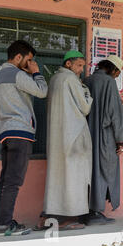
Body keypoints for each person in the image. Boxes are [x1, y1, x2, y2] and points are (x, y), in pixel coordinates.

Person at [0, 40, 48, 236]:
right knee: (13, 181)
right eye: (29, 59)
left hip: (6, 133)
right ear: (18, 57)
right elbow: (42, 91)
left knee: (6, 181)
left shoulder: (0, 75)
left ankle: (3, 223)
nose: (29, 63)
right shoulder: (16, 74)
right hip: (21, 134)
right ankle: (5, 225)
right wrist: (36, 72)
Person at [36, 50, 93, 231]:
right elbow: (85, 108)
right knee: (74, 179)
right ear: (68, 64)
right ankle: (70, 218)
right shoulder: (71, 80)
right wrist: (86, 91)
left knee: (57, 179)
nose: (81, 70)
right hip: (73, 137)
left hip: (57, 138)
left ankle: (48, 217)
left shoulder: (53, 80)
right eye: (79, 65)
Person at [81, 55, 123, 225]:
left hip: (86, 135)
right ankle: (95, 212)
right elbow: (115, 113)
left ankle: (86, 210)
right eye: (118, 73)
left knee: (89, 172)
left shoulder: (86, 80)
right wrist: (121, 140)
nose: (117, 76)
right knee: (103, 170)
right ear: (113, 69)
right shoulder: (108, 82)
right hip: (104, 136)